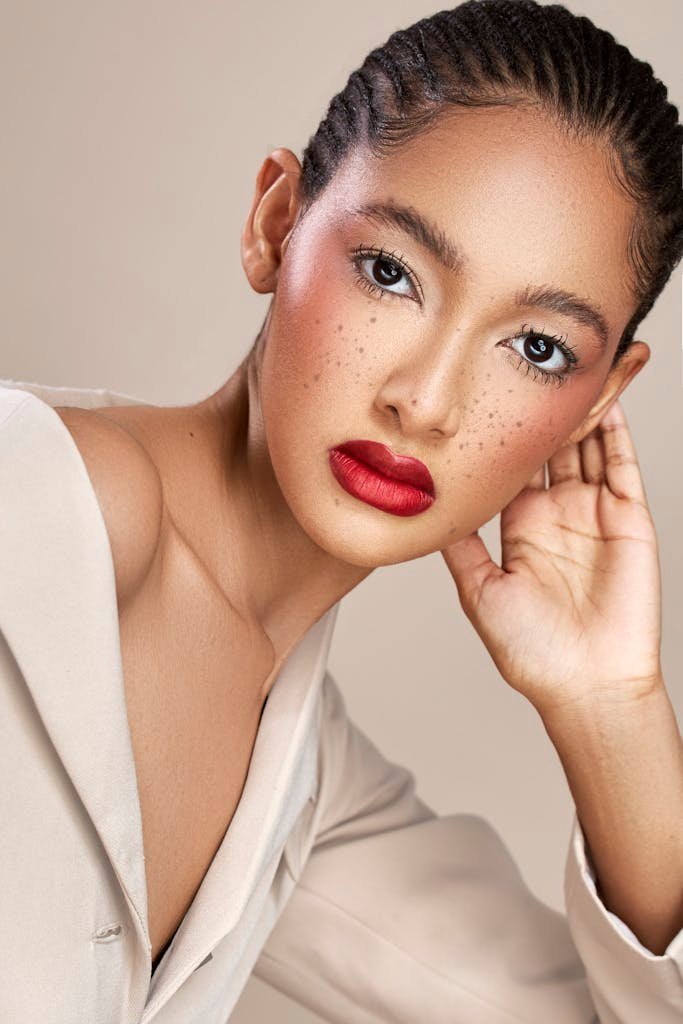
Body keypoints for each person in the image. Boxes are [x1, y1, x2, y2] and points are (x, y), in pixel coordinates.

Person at [1, 0, 682, 1021]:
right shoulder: (27, 507)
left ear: (596, 397)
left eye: (535, 347)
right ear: (276, 221)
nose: (427, 400)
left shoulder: (303, 783)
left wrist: (609, 708)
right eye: (390, 272)